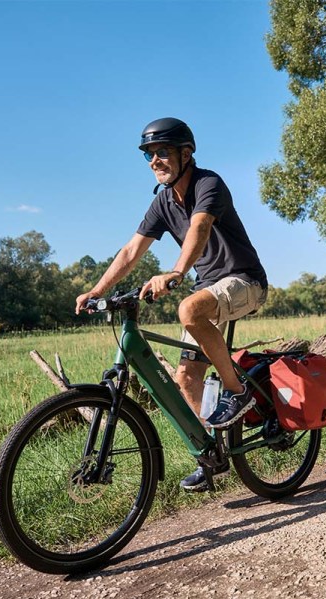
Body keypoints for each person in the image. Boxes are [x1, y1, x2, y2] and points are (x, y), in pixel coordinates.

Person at [75, 117, 268, 492]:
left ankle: (238, 391)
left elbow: (200, 227)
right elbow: (132, 249)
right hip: (208, 288)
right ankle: (209, 456)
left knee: (189, 309)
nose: (154, 160)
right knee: (185, 377)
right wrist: (97, 290)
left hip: (245, 280)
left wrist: (177, 271)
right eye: (149, 155)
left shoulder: (207, 183)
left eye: (162, 152)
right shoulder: (162, 201)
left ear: (186, 153)